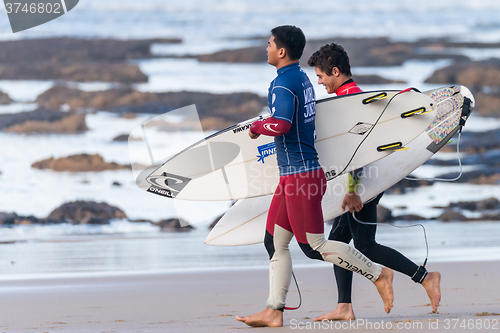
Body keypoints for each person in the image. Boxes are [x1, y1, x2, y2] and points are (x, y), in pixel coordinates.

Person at [235, 26, 394, 328]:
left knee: (314, 245)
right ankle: (273, 311)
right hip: (292, 176)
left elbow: (281, 124)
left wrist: (258, 127)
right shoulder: (304, 80)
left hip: (301, 177)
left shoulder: (282, 84)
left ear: (281, 51)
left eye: (269, 44)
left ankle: (379, 274)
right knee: (275, 241)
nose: (265, 48)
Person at [307, 42, 441, 321]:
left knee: (365, 245)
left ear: (335, 71)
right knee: (339, 241)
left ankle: (425, 277)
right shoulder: (350, 97)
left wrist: (355, 191)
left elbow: (360, 151)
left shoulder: (352, 101)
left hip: (364, 184)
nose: (319, 83)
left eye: (321, 77)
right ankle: (344, 306)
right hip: (364, 183)